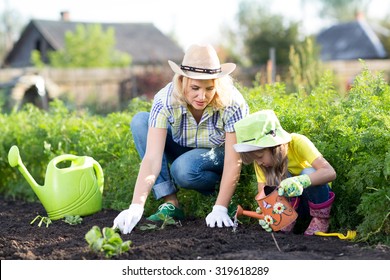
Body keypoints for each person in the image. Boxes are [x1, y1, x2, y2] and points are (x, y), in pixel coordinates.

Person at [113, 44, 249, 234]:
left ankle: (220, 194)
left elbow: (234, 160)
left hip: (218, 155)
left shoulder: (232, 102)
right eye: (195, 88)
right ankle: (171, 204)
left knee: (183, 169)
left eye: (209, 88)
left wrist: (220, 207)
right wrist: (136, 205)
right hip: (182, 147)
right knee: (140, 121)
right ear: (182, 80)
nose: (202, 96)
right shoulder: (165, 100)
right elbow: (152, 159)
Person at [233, 110, 336, 235]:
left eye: (260, 157)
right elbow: (263, 192)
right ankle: (286, 220)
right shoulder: (261, 163)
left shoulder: (297, 142)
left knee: (308, 171)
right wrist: (268, 212)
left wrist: (301, 180)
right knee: (274, 177)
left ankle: (320, 219)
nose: (258, 162)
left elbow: (329, 172)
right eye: (255, 159)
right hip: (290, 207)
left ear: (273, 146)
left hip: (314, 199)